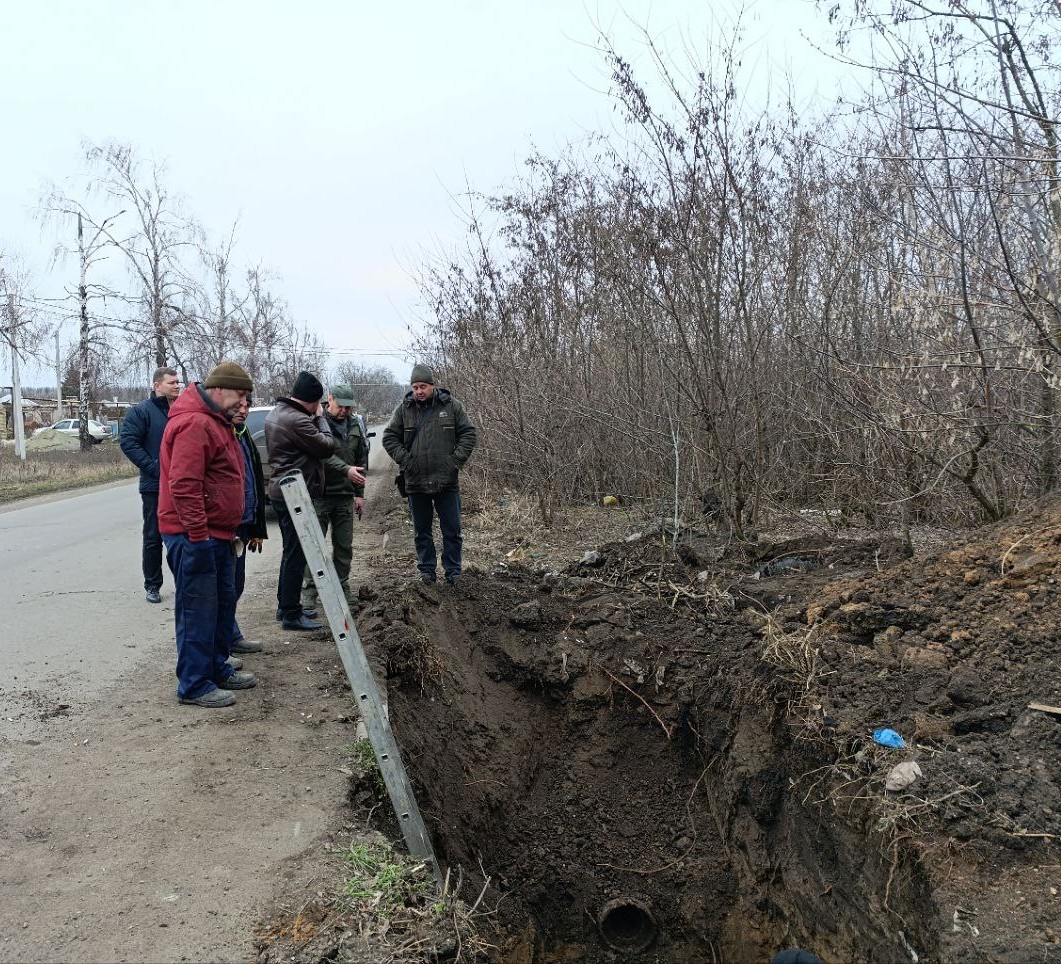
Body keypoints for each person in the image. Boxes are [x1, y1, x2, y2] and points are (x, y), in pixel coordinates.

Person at [158, 361, 258, 708]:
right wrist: (198, 537)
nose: (242, 404)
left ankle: (216, 667)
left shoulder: (217, 422)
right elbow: (184, 485)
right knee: (198, 609)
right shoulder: (195, 423)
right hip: (193, 536)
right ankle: (194, 684)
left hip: (218, 534)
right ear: (219, 390)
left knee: (220, 605)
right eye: (240, 396)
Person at [382, 363, 477, 585]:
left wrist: (454, 462)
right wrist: (406, 460)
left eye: (423, 386)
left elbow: (468, 434)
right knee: (421, 532)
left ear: (432, 386)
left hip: (446, 482)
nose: (419, 391)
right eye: (415, 387)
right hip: (415, 482)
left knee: (452, 531)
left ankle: (453, 573)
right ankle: (427, 572)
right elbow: (389, 438)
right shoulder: (404, 409)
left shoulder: (452, 406)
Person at [265, 370, 335, 631]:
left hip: (283, 491)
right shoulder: (298, 420)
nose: (319, 408)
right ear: (312, 401)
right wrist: (321, 419)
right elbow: (327, 446)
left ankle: (285, 607)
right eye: (318, 404)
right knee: (296, 554)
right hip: (293, 493)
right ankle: (292, 614)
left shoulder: (278, 412)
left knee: (291, 552)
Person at [301, 384, 367, 611]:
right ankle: (309, 592)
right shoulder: (317, 424)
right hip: (320, 494)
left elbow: (361, 461)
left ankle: (342, 586)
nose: (344, 412)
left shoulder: (355, 425)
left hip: (345, 496)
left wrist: (360, 495)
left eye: (349, 408)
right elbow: (321, 455)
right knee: (315, 547)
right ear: (330, 399)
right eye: (341, 406)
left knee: (344, 546)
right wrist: (347, 469)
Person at [119, 366, 181, 603]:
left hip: (183, 485)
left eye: (178, 382)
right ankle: (153, 585)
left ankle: (184, 583)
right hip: (154, 486)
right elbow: (129, 442)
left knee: (182, 537)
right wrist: (155, 468)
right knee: (154, 537)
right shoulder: (141, 412)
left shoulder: (182, 410)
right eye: (171, 382)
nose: (177, 386)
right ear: (157, 386)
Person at [222, 396, 268, 661]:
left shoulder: (243, 434)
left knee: (236, 585)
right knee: (225, 588)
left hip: (243, 522)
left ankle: (231, 634)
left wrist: (256, 526)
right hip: (227, 525)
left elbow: (254, 481)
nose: (244, 411)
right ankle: (223, 645)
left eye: (247, 406)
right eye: (238, 406)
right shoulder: (223, 435)